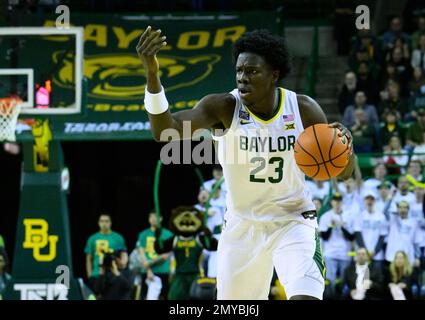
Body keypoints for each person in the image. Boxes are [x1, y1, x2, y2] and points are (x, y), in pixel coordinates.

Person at [137, 27, 354, 300]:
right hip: (242, 227)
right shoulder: (224, 107)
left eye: (252, 71)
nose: (242, 78)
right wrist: (152, 75)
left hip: (293, 220)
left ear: (274, 74)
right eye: (239, 71)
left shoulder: (303, 109)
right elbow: (164, 131)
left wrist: (347, 149)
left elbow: (343, 173)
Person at [319, 193, 355, 299]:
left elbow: (352, 237)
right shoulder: (326, 216)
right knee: (331, 280)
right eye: (335, 201)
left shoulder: (348, 215)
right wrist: (331, 225)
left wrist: (342, 226)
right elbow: (324, 237)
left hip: (345, 253)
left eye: (339, 201)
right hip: (330, 253)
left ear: (342, 202)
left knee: (344, 281)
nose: (337, 203)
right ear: (332, 202)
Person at [84, 213, 127, 290]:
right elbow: (88, 259)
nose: (104, 224)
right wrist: (90, 275)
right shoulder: (92, 239)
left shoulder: (118, 238)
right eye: (102, 221)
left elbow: (124, 255)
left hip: (113, 273)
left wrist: (122, 265)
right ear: (98, 223)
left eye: (106, 221)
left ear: (110, 223)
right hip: (97, 274)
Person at [137, 211, 172, 300]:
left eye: (156, 217)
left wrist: (149, 263)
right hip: (146, 272)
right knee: (145, 297)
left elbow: (165, 255)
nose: (153, 219)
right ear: (149, 219)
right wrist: (148, 270)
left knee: (164, 297)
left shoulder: (167, 234)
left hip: (162, 271)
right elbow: (141, 253)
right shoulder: (143, 234)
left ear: (161, 218)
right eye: (151, 217)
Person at [354, 192, 388, 271]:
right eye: (367, 199)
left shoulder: (381, 216)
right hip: (362, 254)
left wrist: (375, 251)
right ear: (364, 201)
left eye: (372, 199)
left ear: (375, 201)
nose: (370, 201)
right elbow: (358, 234)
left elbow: (382, 236)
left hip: (377, 255)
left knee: (376, 277)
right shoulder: (360, 216)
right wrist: (365, 252)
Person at [384, 201, 422, 268]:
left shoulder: (414, 222)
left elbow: (416, 241)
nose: (402, 209)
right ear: (397, 209)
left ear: (408, 209)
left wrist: (417, 257)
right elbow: (385, 211)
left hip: (408, 257)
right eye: (400, 207)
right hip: (392, 256)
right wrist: (390, 198)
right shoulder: (393, 219)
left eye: (405, 207)